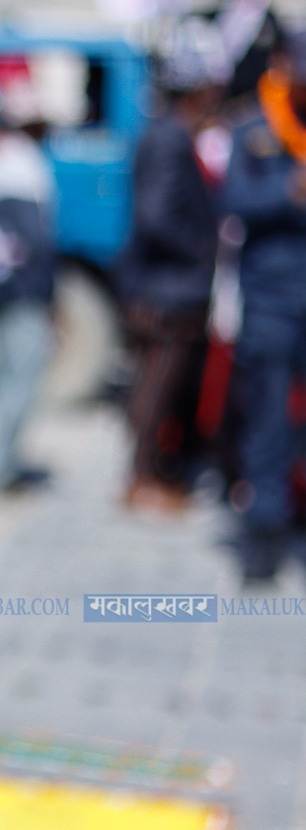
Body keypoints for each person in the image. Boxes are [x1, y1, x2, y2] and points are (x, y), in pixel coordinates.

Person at [119, 25, 227, 513]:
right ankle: (140, 481)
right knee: (155, 388)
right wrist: (206, 250)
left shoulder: (167, 132)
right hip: (167, 289)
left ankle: (147, 474)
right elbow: (157, 216)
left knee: (156, 387)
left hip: (166, 285)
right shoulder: (169, 138)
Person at [225, 30, 306, 579]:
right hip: (273, 300)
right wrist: (288, 194)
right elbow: (233, 202)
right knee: (269, 420)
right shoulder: (255, 127)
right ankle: (265, 532)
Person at [0, 79, 58, 491]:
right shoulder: (23, 162)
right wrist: (47, 294)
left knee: (4, 378)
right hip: (22, 291)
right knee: (21, 377)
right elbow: (32, 240)